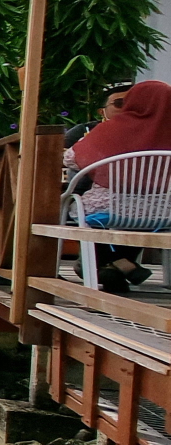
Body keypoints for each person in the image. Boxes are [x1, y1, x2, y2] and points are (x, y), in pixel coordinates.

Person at [66, 79, 171, 294]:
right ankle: (116, 268)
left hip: (109, 208)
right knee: (135, 216)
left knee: (81, 208)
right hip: (164, 212)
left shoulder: (110, 129)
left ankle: (118, 263)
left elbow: (71, 159)